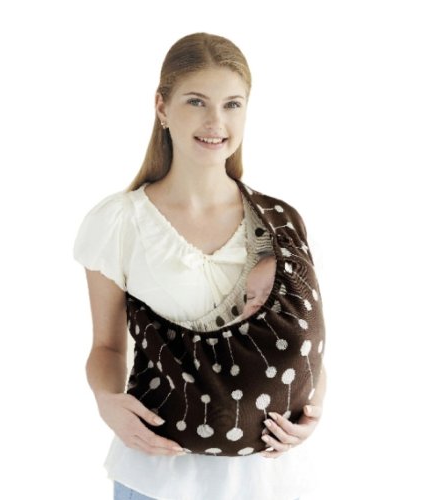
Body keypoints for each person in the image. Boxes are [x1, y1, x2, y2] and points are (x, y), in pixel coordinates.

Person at [73, 32, 326, 500]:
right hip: (157, 476)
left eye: (232, 105)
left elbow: (308, 344)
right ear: (162, 107)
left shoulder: (281, 222)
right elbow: (106, 346)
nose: (216, 122)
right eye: (196, 102)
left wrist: (313, 410)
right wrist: (107, 402)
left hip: (266, 481)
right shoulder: (119, 222)